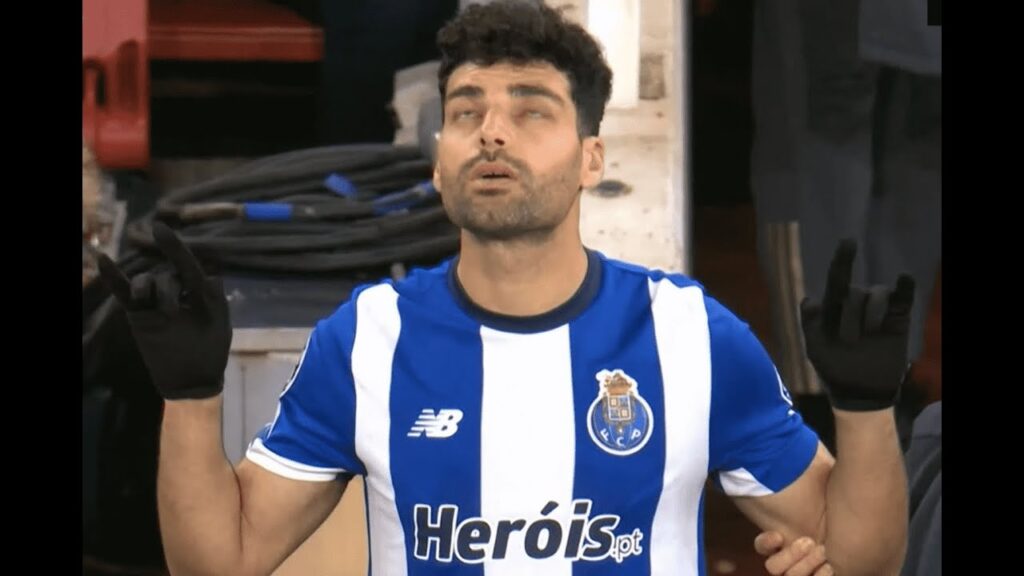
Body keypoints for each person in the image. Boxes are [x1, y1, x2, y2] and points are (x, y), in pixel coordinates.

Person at [97, 2, 910, 574]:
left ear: (592, 158)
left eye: (532, 111)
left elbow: (863, 557)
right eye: (466, 110)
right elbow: (221, 560)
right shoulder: (364, 338)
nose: (492, 129)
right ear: (440, 156)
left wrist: (866, 411)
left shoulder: (692, 335)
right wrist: (192, 396)